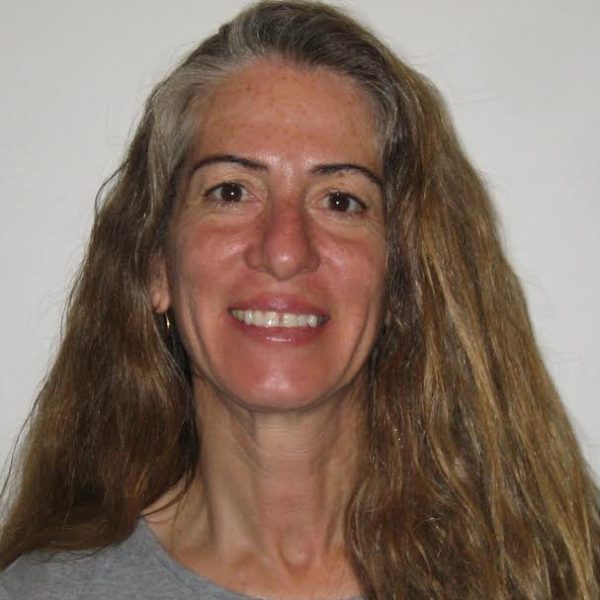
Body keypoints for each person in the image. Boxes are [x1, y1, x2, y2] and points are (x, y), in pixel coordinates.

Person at [0, 1, 598, 598]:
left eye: (340, 200)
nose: (285, 251)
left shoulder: (551, 576)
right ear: (156, 262)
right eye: (231, 191)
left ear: (403, 276)